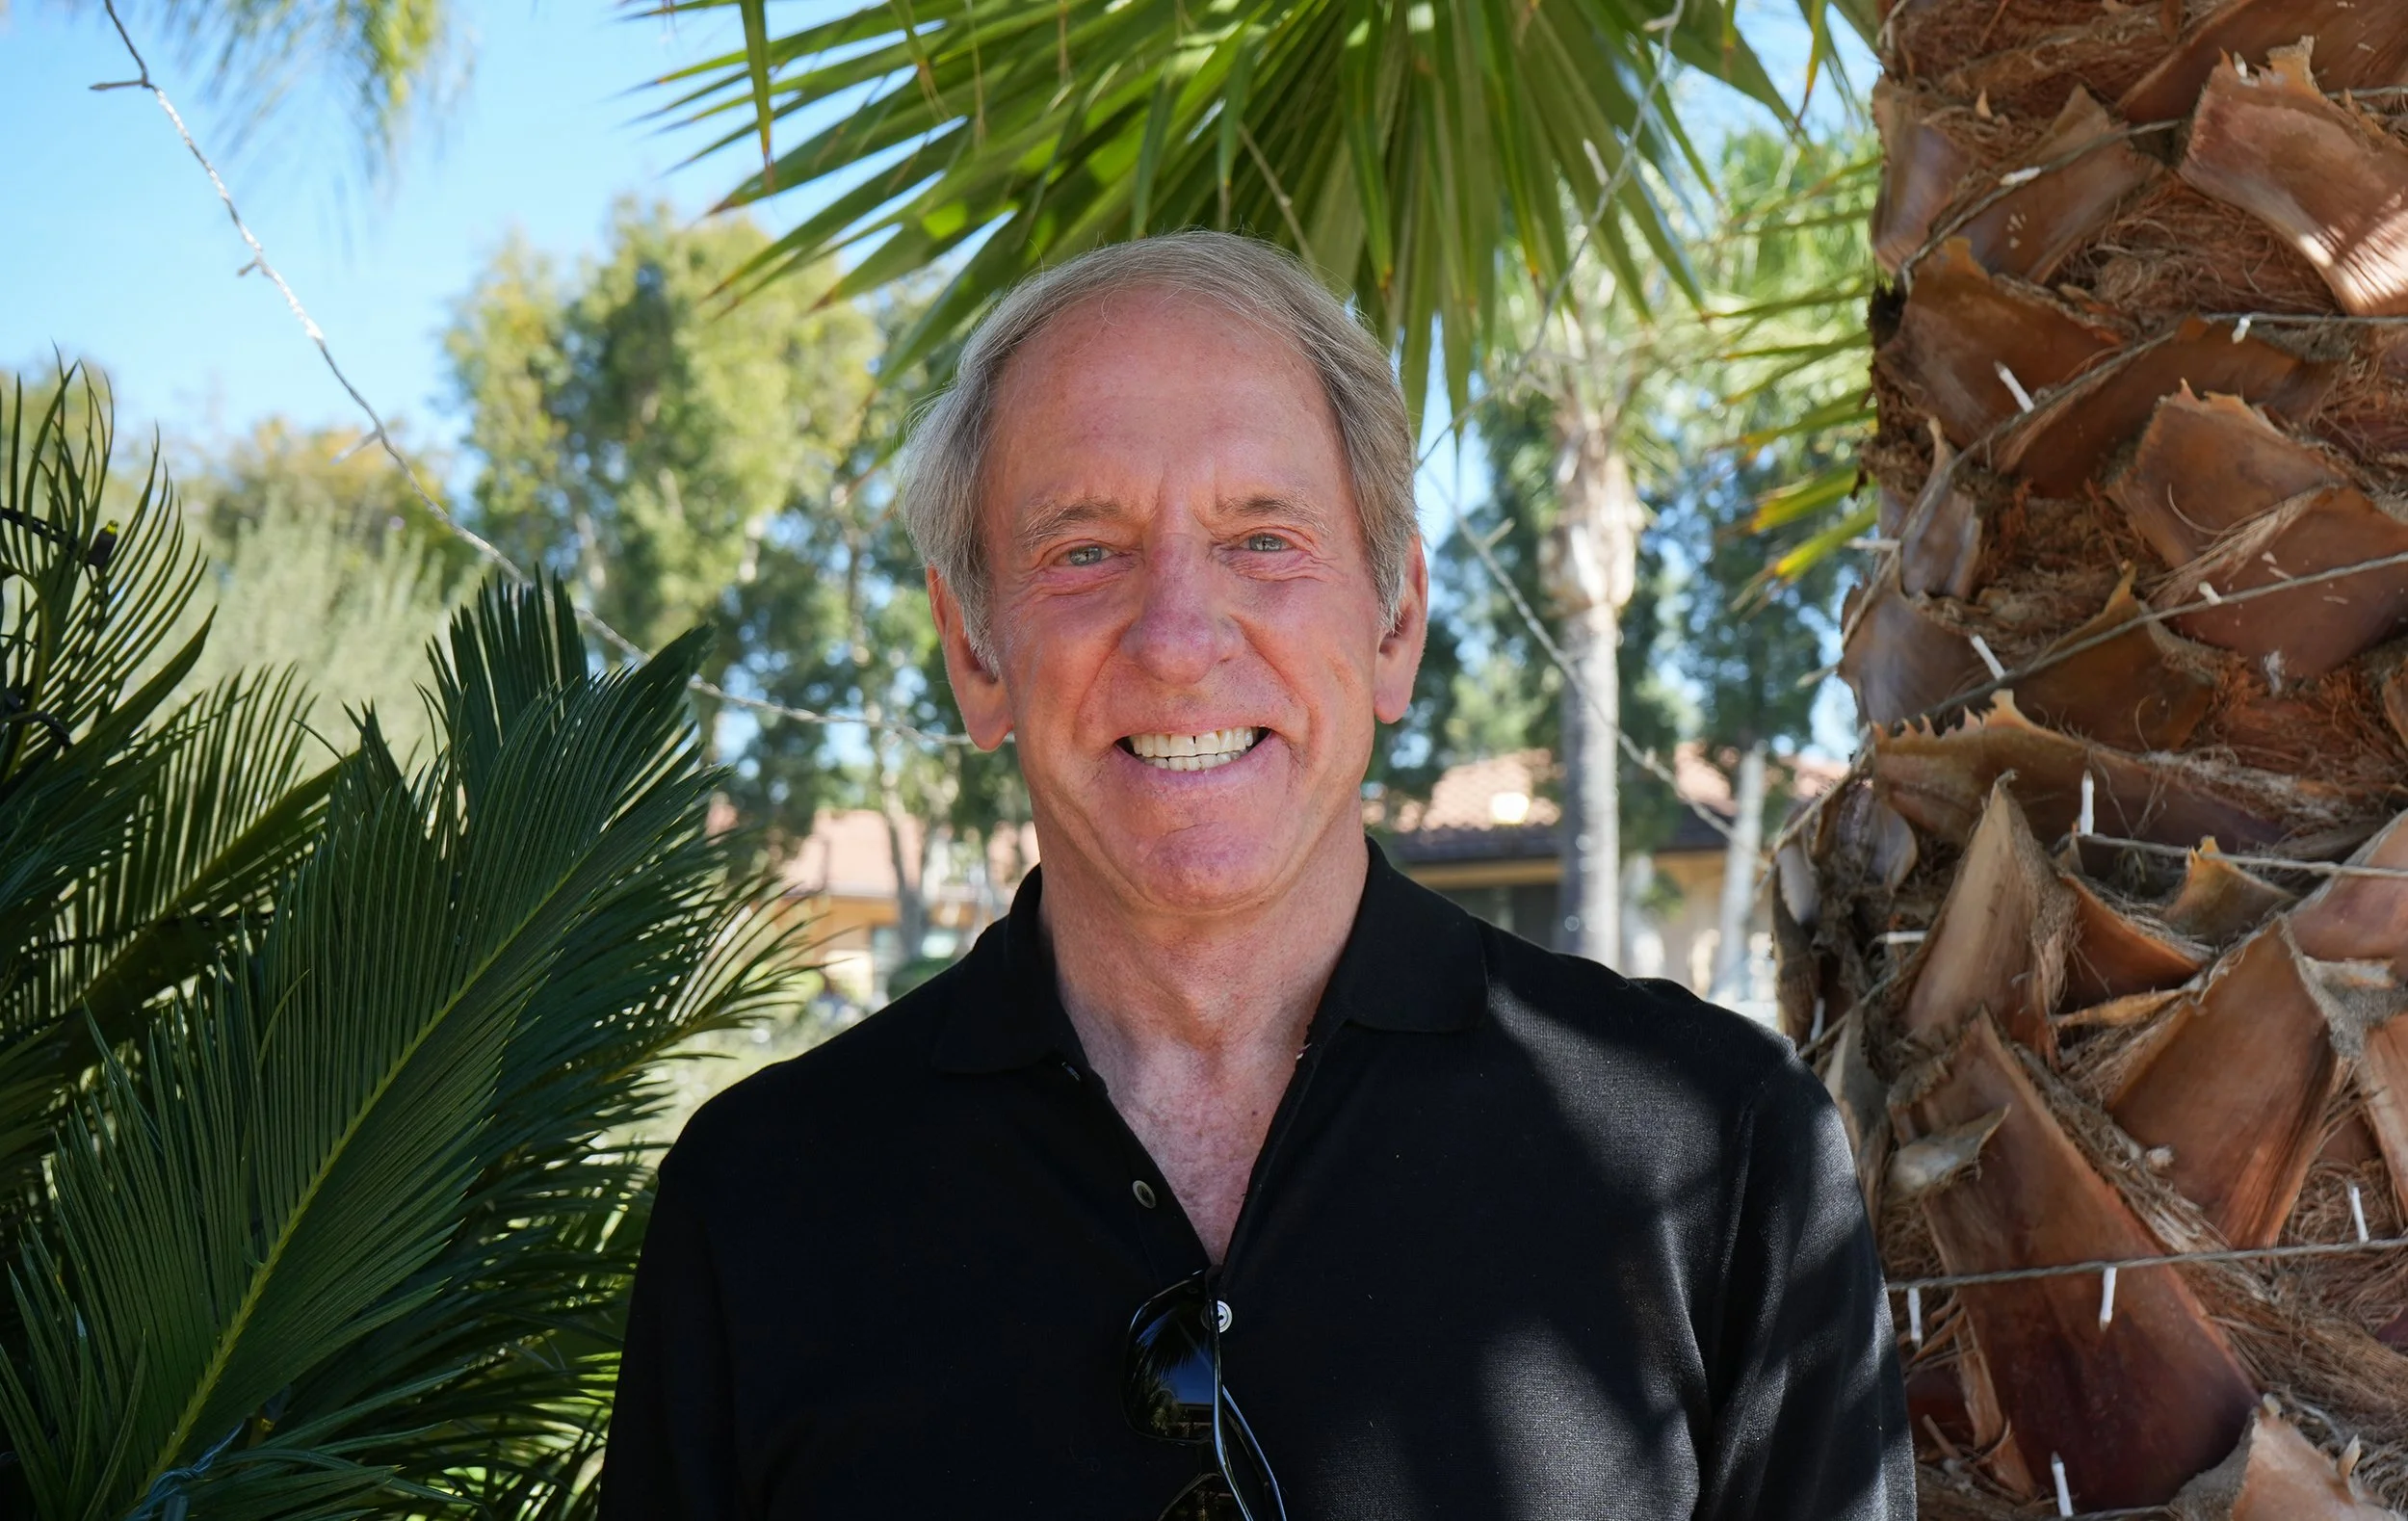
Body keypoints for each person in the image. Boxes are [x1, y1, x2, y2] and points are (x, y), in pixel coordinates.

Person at [599, 231, 1911, 1520]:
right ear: (975, 651)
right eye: (1084, 549)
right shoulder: (763, 1204)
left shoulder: (1722, 1161)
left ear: (1396, 619)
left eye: (1263, 537)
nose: (1178, 639)